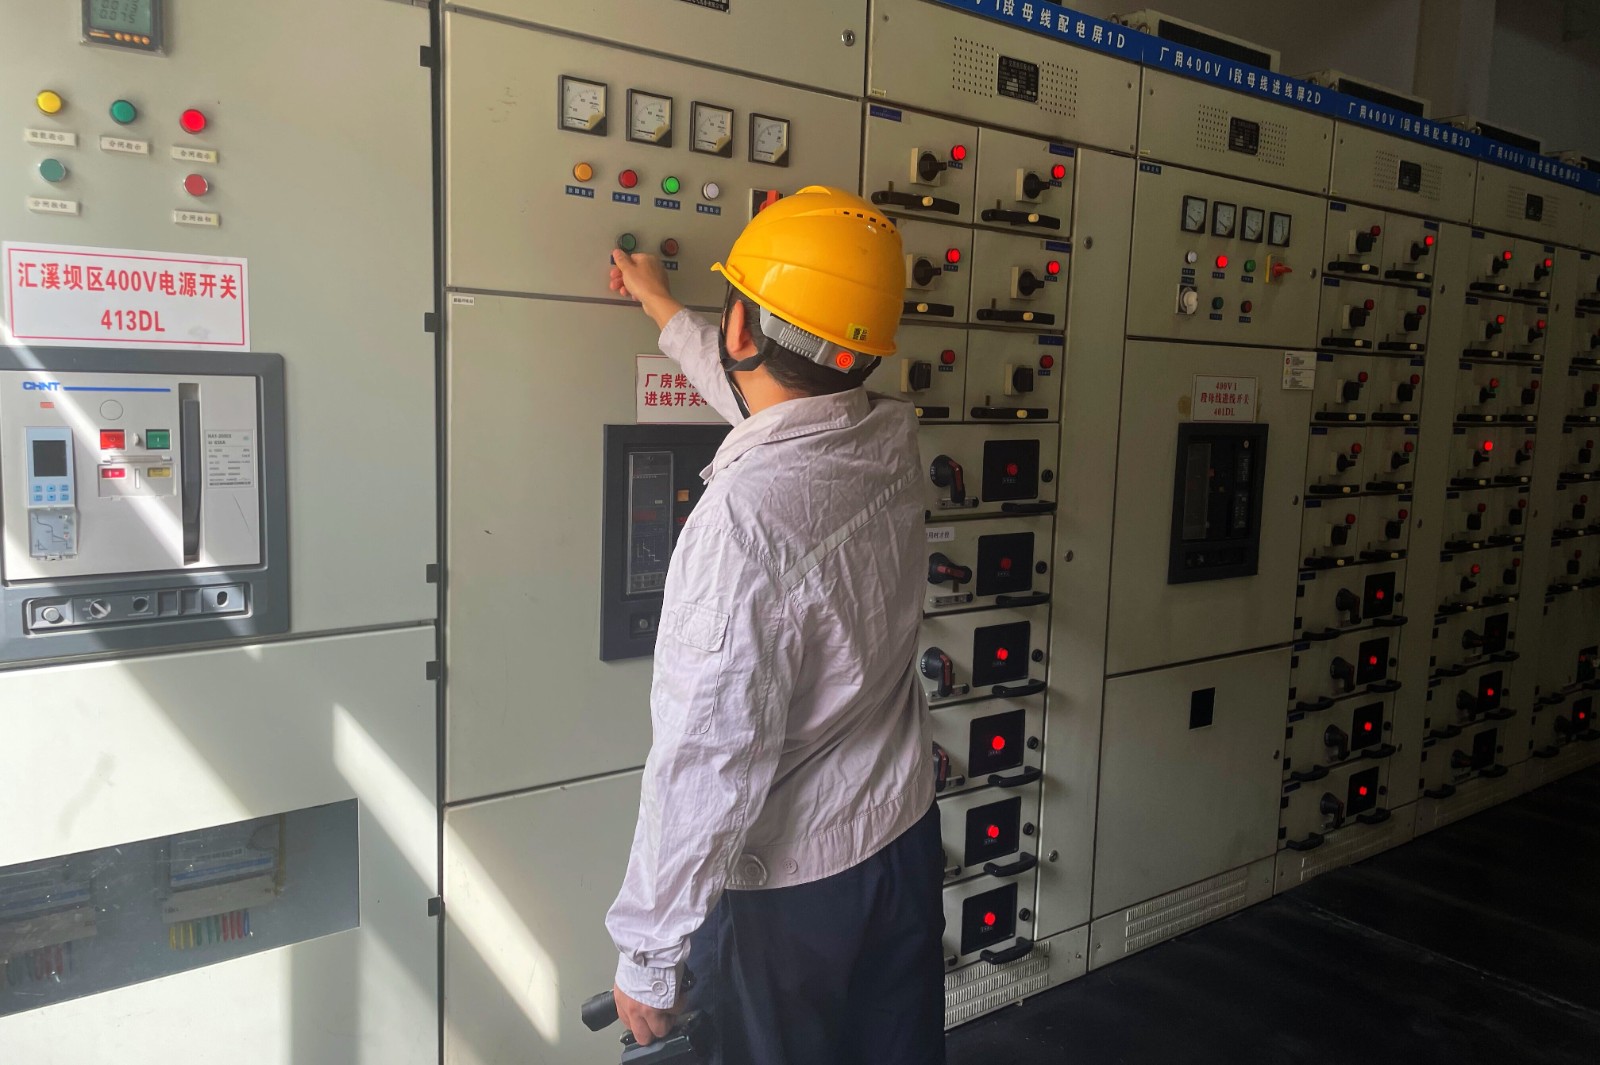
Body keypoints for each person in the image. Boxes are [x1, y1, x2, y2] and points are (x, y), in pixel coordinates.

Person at [603, 186, 946, 1065]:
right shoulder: (884, 437)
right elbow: (779, 410)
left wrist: (649, 952)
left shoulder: (742, 521)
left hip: (793, 894)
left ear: (743, 328)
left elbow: (707, 751)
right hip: (901, 843)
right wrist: (664, 309)